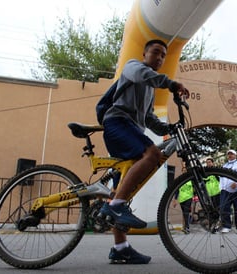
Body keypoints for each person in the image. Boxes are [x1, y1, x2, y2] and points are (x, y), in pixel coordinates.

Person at [99, 39, 189, 264]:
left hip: (131, 129)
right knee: (153, 154)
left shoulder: (149, 88)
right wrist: (172, 84)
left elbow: (148, 118)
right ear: (144, 53)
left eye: (163, 56)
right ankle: (117, 207)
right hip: (118, 123)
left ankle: (120, 247)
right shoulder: (132, 67)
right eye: (156, 52)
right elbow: (145, 76)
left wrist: (168, 128)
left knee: (121, 190)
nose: (159, 58)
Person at [219, 149, 237, 234]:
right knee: (224, 208)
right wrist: (221, 188)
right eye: (229, 154)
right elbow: (222, 178)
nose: (230, 155)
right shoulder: (224, 165)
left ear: (235, 155)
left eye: (232, 154)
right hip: (226, 190)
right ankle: (226, 226)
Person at [172, 167, 193, 234]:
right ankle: (185, 226)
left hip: (189, 197)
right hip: (182, 199)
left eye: (185, 170)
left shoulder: (190, 179)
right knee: (184, 213)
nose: (184, 171)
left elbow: (194, 188)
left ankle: (187, 227)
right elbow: (177, 190)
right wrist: (175, 200)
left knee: (186, 212)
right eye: (183, 170)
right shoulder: (180, 180)